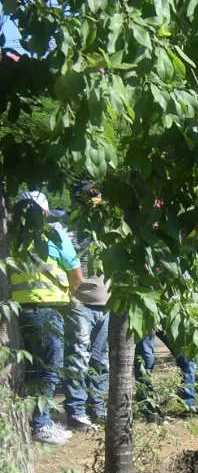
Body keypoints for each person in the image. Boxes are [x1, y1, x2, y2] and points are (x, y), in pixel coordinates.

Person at [11, 191, 83, 445]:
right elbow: (75, 272)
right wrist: (74, 295)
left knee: (35, 370)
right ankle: (41, 425)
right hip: (47, 310)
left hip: (20, 312)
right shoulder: (53, 233)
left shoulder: (10, 236)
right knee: (50, 370)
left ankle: (39, 420)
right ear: (44, 212)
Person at [62, 184, 109, 431]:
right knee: (78, 358)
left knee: (101, 361)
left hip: (105, 305)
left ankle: (97, 408)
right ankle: (76, 412)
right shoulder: (68, 230)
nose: (96, 199)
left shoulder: (106, 229)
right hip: (79, 304)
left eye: (98, 195)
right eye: (91, 195)